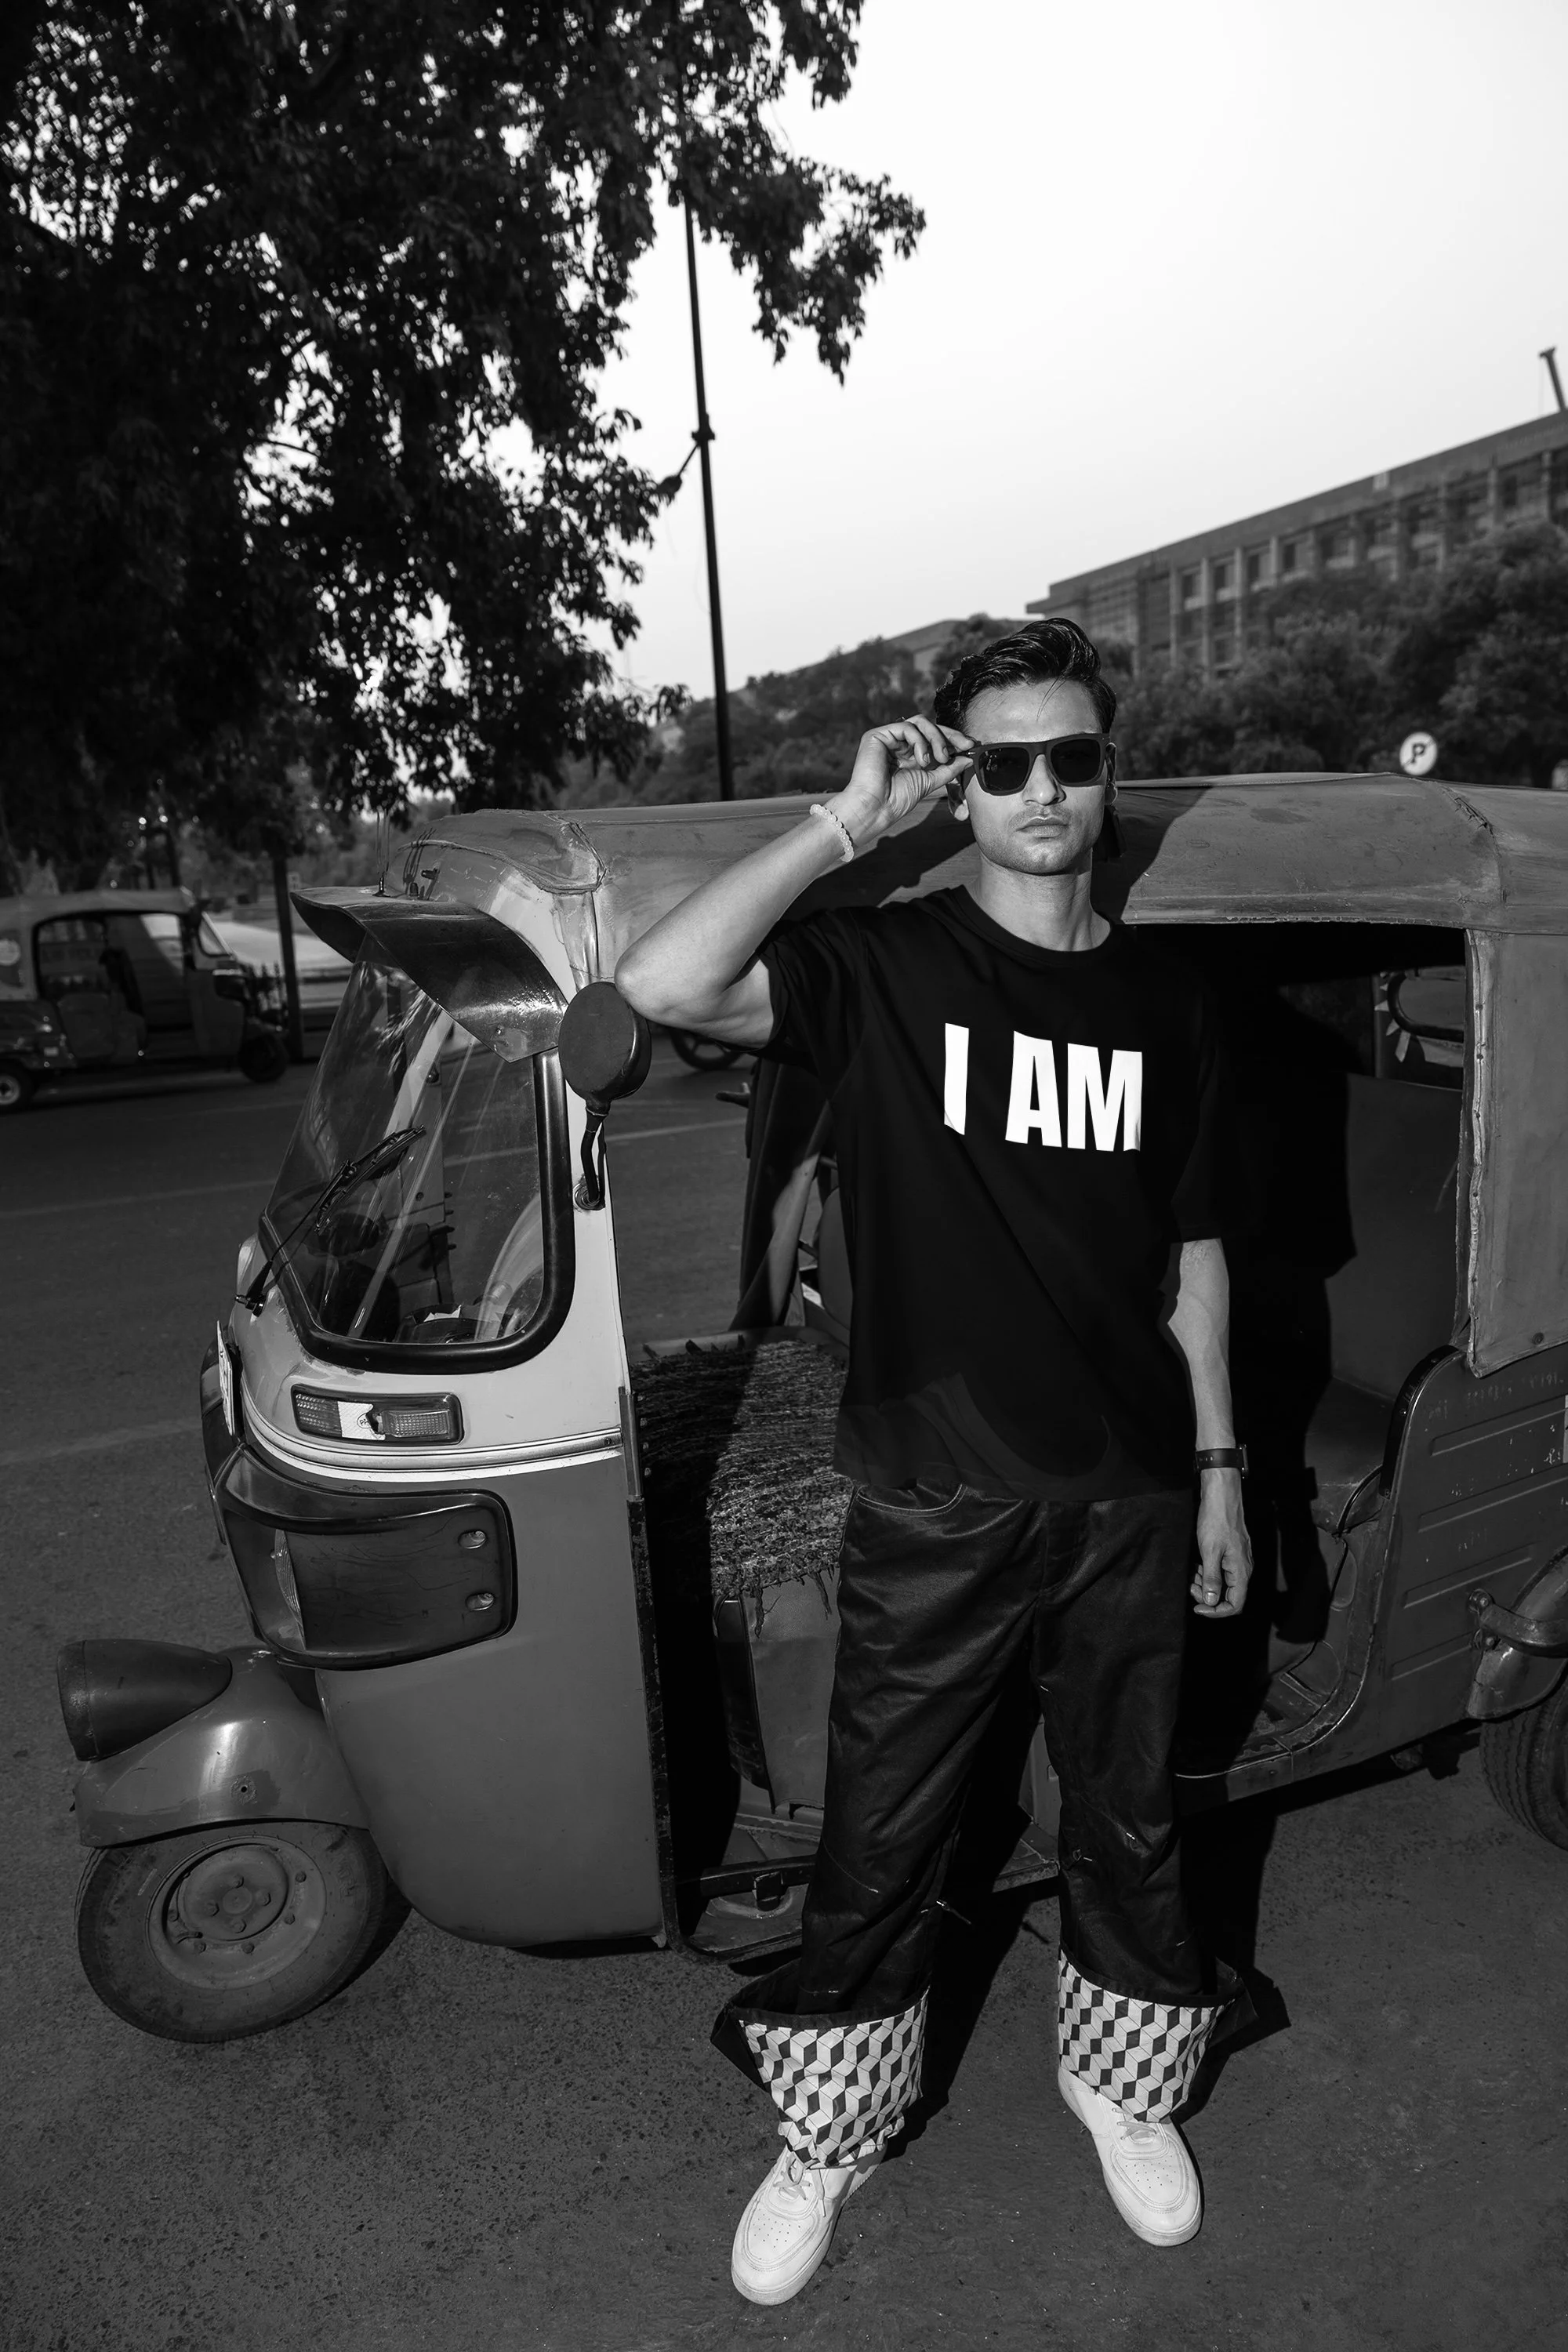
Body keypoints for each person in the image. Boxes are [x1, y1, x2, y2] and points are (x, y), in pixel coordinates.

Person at [615, 618, 1253, 2307]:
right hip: (933, 1485)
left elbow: (1190, 1250)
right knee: (883, 1831)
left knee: (1127, 1814)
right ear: (960, 783)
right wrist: (846, 822)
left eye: (1074, 756)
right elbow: (663, 987)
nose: (1043, 789)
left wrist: (1220, 1468)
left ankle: (1121, 2086)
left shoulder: (1168, 1001)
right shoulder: (887, 968)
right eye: (1003, 761)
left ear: (1107, 777)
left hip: (1123, 1492)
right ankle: (828, 2131)